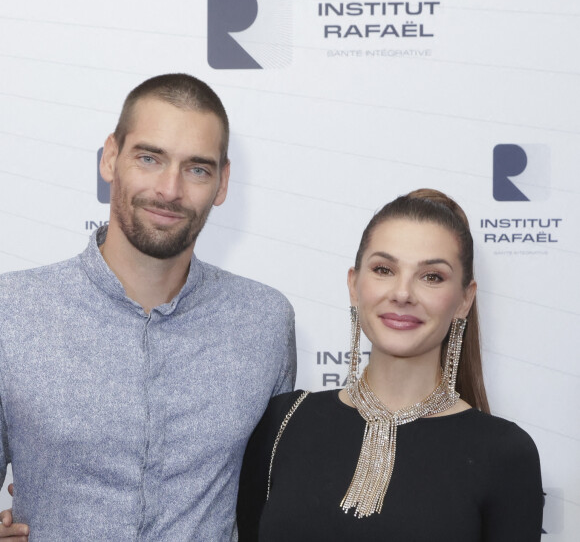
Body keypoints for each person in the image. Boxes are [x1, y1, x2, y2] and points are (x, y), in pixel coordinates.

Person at [0, 74, 296, 541]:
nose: (170, 189)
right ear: (110, 158)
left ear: (222, 182)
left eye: (197, 168)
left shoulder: (264, 321)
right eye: (149, 158)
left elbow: (270, 504)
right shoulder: (11, 312)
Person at [237, 189, 543, 541]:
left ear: (464, 299)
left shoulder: (504, 453)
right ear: (354, 285)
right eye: (384, 269)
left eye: (431, 276)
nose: (402, 293)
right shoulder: (283, 421)